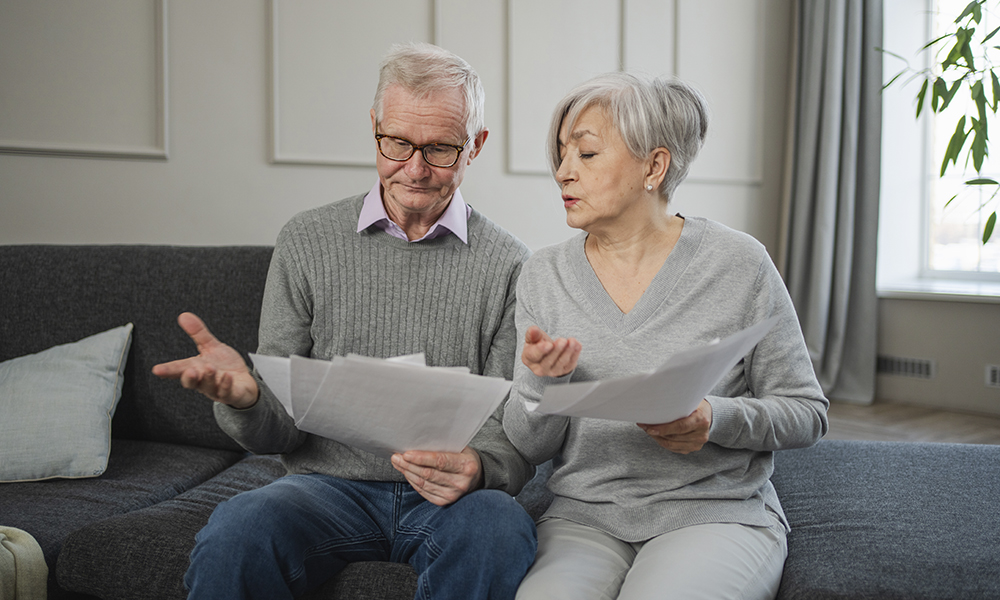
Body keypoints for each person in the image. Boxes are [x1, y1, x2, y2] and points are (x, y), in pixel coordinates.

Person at [153, 43, 537, 600]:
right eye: (398, 142)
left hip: (453, 501)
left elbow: (513, 432)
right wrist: (245, 401)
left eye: (440, 149)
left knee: (499, 527)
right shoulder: (306, 241)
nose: (415, 168)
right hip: (324, 488)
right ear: (375, 128)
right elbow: (278, 431)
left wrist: (482, 468)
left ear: (475, 145)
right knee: (240, 528)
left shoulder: (511, 264)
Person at [502, 72, 829, 600]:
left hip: (714, 515)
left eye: (585, 155)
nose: (562, 172)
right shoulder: (544, 274)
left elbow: (807, 413)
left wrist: (715, 419)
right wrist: (543, 384)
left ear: (654, 166)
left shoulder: (739, 262)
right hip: (584, 519)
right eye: (560, 154)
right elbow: (527, 443)